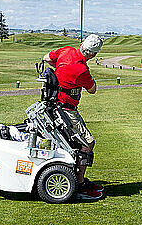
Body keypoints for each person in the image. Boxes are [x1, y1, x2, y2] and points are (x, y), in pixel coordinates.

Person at [43, 33, 104, 200]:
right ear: (93, 54)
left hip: (54, 105)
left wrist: (60, 71)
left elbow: (47, 58)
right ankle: (80, 183)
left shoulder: (66, 51)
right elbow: (92, 89)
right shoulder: (82, 69)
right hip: (66, 110)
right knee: (88, 143)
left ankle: (79, 179)